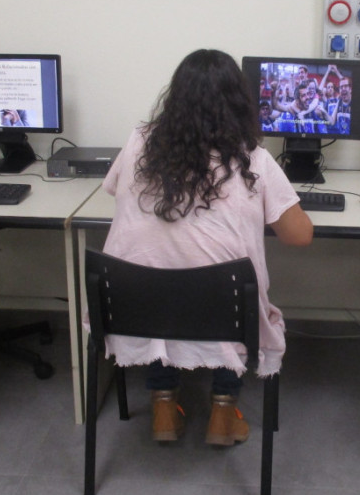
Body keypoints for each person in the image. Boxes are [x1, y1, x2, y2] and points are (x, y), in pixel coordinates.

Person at [101, 48, 313, 445]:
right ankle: (222, 411)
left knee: (158, 279)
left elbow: (113, 189)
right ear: (239, 103)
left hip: (133, 306)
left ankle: (164, 406)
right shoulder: (253, 160)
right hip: (221, 310)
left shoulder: (138, 143)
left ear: (175, 98)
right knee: (231, 290)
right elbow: (299, 235)